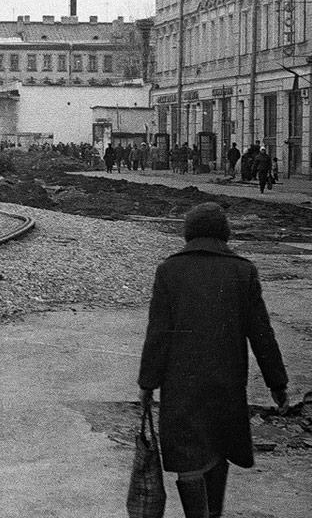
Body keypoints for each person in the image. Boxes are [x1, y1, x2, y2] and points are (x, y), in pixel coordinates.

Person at [138, 202, 288, 518]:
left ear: (188, 232)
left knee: (189, 456)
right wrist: (278, 383)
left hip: (181, 386)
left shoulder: (169, 271)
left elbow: (158, 334)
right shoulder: (243, 271)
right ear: (225, 233)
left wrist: (147, 384)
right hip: (226, 383)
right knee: (218, 450)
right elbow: (262, 334)